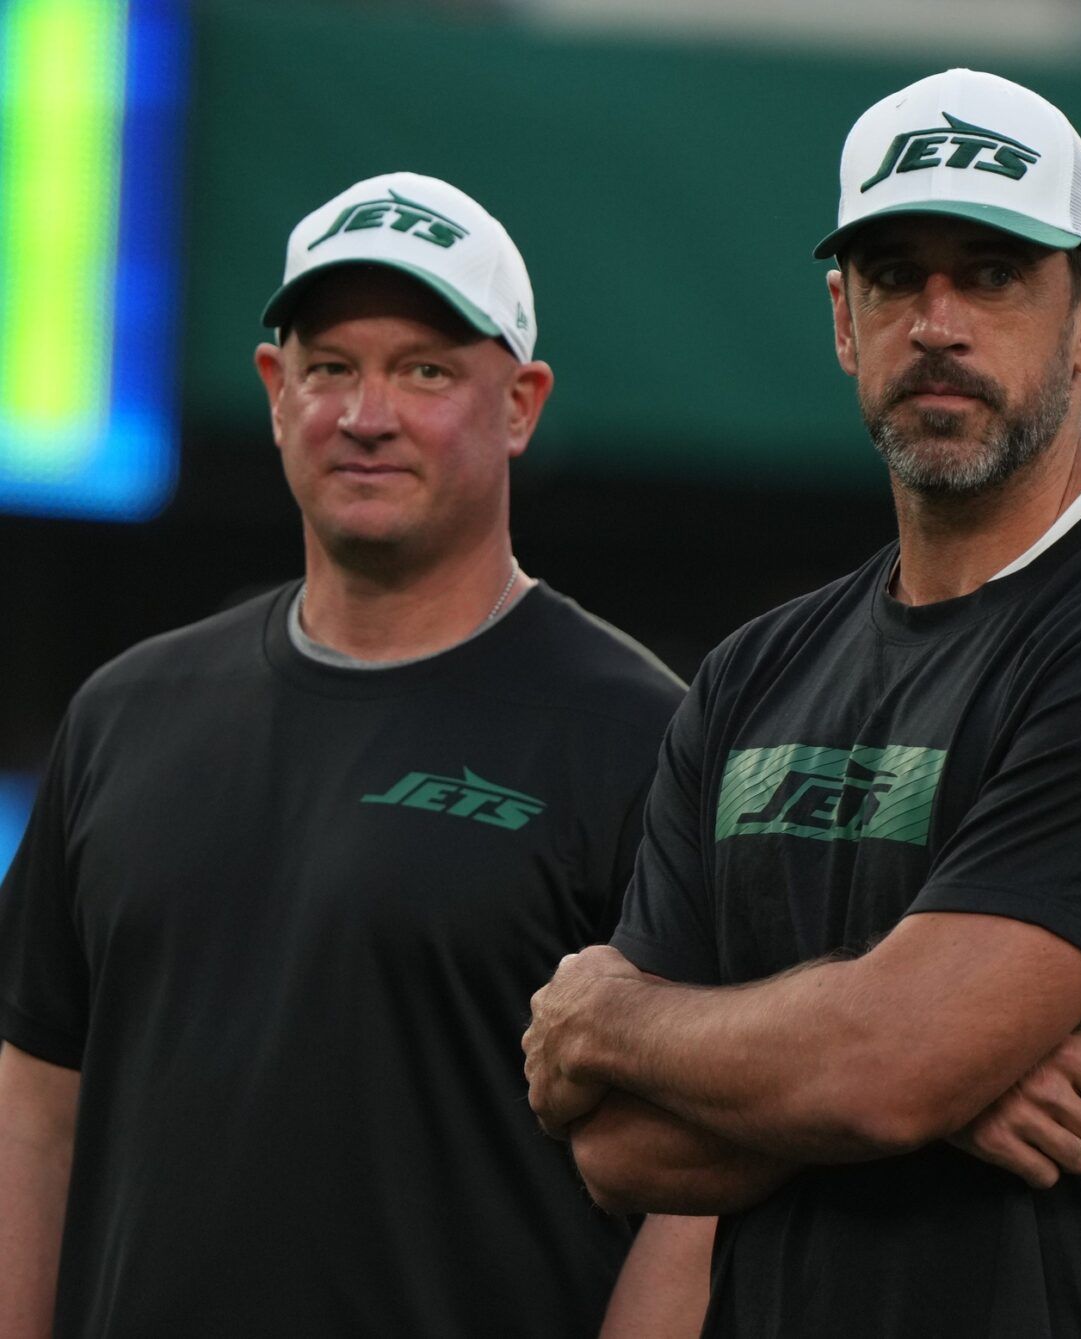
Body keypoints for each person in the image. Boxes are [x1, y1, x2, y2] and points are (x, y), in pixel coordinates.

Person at [521, 68, 1081, 1338]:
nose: (938, 321)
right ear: (843, 318)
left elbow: (886, 1070)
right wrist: (911, 1064)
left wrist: (623, 1017)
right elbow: (617, 1148)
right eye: (895, 276)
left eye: (992, 274)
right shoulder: (755, 671)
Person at [0, 172, 685, 1337]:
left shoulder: (640, 735)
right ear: (277, 392)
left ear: (519, 404)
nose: (368, 414)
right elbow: (34, 1107)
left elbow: (698, 1192)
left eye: (425, 369)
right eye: (331, 367)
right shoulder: (129, 711)